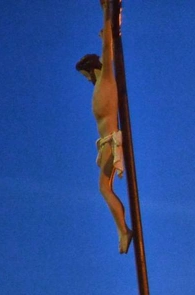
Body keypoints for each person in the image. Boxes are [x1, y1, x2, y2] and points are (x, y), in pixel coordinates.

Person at [76, 0, 131, 254]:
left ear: (90, 71)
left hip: (111, 139)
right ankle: (122, 230)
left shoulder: (106, 79)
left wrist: (106, 12)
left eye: (85, 74)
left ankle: (123, 231)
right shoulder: (100, 87)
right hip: (105, 142)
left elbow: (108, 46)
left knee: (103, 188)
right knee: (103, 187)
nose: (86, 79)